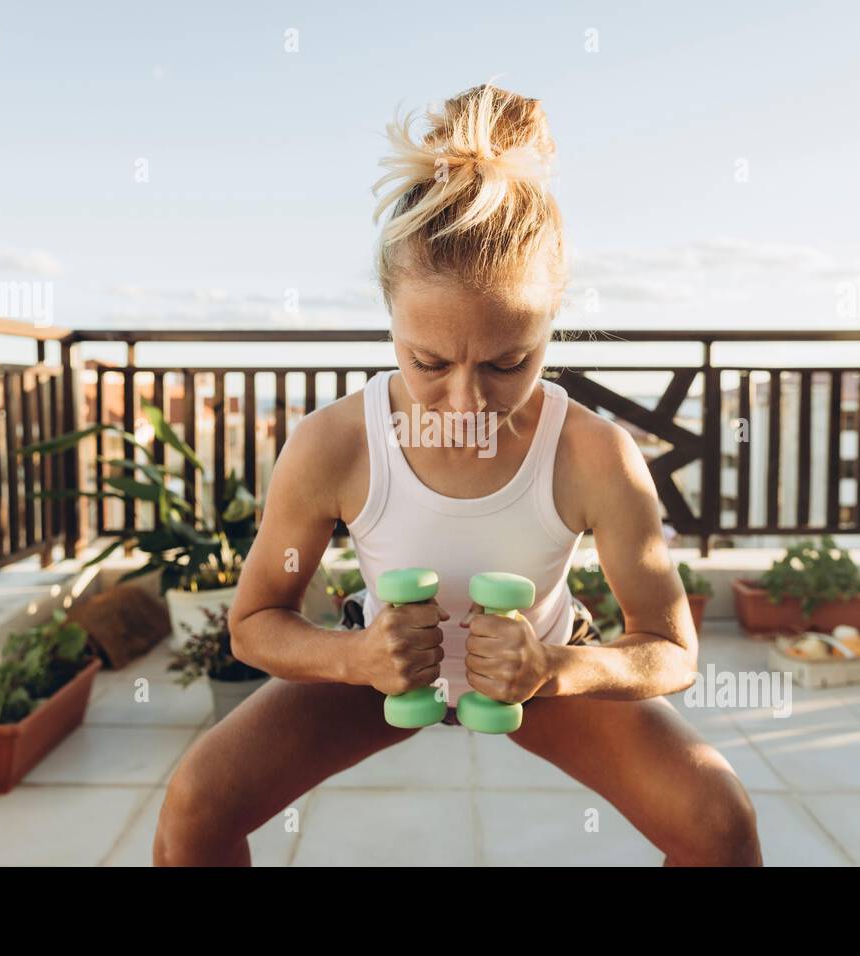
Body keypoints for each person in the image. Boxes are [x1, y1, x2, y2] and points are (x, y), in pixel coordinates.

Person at [154, 83, 761, 867]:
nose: (468, 400)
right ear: (390, 323)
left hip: (536, 664)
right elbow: (255, 623)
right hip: (377, 661)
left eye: (510, 362)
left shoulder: (592, 453)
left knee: (718, 821)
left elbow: (671, 651)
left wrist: (555, 669)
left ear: (551, 325)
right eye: (429, 362)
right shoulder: (334, 443)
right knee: (197, 803)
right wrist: (355, 658)